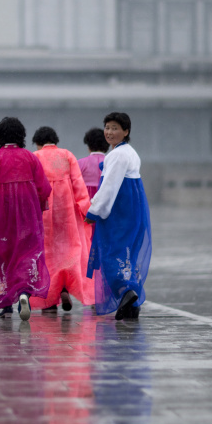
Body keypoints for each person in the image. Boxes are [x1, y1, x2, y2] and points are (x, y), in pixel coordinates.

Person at [0, 117, 51, 322]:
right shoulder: (30, 158)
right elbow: (44, 188)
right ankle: (24, 292)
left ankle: (6, 304)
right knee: (26, 253)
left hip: (0, 214)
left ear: (0, 136)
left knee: (1, 254)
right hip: (27, 213)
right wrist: (38, 209)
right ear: (21, 136)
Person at [86, 112, 152, 320]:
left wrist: (93, 212)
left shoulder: (117, 155)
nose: (109, 132)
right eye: (107, 127)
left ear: (126, 131)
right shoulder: (130, 152)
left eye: (115, 128)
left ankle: (126, 292)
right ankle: (131, 304)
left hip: (120, 211)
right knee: (128, 253)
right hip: (135, 209)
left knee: (111, 253)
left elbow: (109, 188)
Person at [29, 126, 94, 314]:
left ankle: (49, 299)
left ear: (39, 143)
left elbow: (32, 186)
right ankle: (65, 288)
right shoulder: (67, 155)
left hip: (45, 213)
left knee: (47, 254)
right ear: (55, 140)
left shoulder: (36, 157)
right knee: (68, 252)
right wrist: (86, 210)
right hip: (67, 214)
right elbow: (78, 185)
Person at [78, 128, 109, 199]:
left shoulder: (80, 163)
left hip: (86, 201)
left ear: (88, 145)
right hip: (107, 200)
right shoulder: (112, 163)